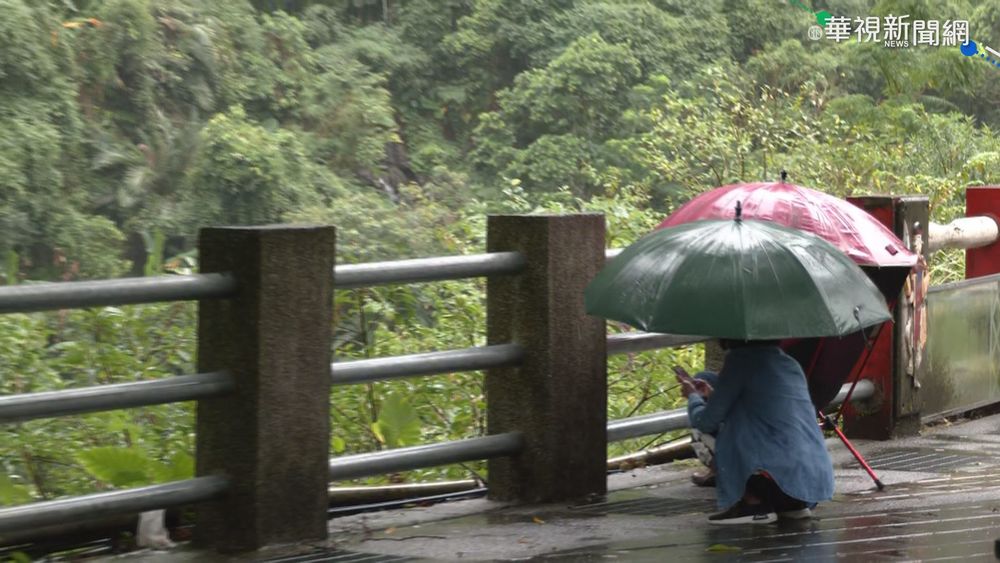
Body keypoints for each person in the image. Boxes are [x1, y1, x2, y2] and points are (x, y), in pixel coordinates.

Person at [675, 339, 834, 525]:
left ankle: (753, 502)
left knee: (700, 432)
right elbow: (761, 409)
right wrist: (712, 394)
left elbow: (705, 421)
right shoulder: (789, 363)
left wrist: (693, 397)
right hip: (809, 481)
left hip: (773, 479)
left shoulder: (740, 361)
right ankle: (792, 506)